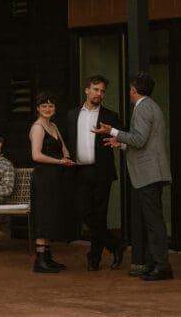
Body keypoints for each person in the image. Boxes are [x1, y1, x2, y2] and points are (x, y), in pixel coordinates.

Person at [93, 71, 173, 282]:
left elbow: (139, 140)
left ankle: (162, 266)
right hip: (150, 172)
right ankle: (154, 262)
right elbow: (142, 142)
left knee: (154, 221)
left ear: (134, 90)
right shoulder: (149, 106)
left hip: (149, 173)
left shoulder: (143, 108)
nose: (129, 92)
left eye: (130, 89)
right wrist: (121, 144)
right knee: (151, 221)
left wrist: (113, 132)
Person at [66, 75, 123, 272]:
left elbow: (123, 140)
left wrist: (118, 142)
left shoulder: (111, 116)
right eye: (95, 89)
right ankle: (114, 244)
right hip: (80, 171)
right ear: (87, 90)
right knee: (84, 212)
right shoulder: (72, 115)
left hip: (102, 172)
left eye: (102, 91)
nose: (99, 93)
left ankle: (94, 258)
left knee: (100, 216)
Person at [29, 91, 75, 273]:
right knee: (43, 215)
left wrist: (67, 158)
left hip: (56, 177)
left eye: (51, 106)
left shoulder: (54, 126)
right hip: (44, 178)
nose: (48, 109)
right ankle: (39, 260)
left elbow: (64, 149)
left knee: (51, 215)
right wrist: (59, 161)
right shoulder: (38, 128)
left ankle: (47, 256)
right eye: (44, 106)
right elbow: (36, 155)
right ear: (38, 109)